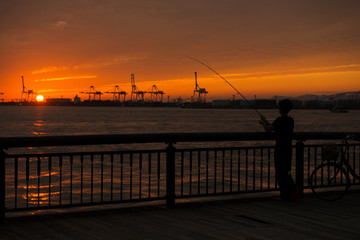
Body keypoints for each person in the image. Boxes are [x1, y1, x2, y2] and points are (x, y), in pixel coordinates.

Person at [259, 99, 299, 201]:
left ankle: (284, 195)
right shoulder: (291, 120)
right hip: (288, 148)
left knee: (281, 172)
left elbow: (268, 130)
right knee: (286, 171)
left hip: (280, 149)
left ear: (280, 108)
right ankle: (292, 191)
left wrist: (263, 121)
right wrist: (266, 123)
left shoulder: (279, 120)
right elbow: (276, 128)